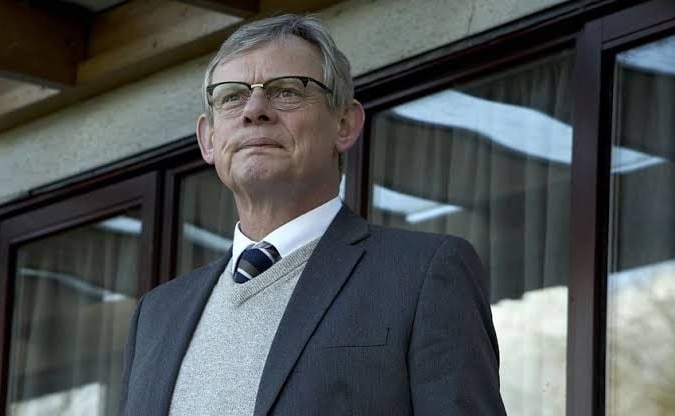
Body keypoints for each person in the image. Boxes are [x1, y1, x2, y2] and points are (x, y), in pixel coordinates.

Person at [119, 14, 506, 416]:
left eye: (287, 91)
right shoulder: (156, 316)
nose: (254, 110)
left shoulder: (422, 274)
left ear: (344, 124)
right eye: (232, 97)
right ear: (208, 139)